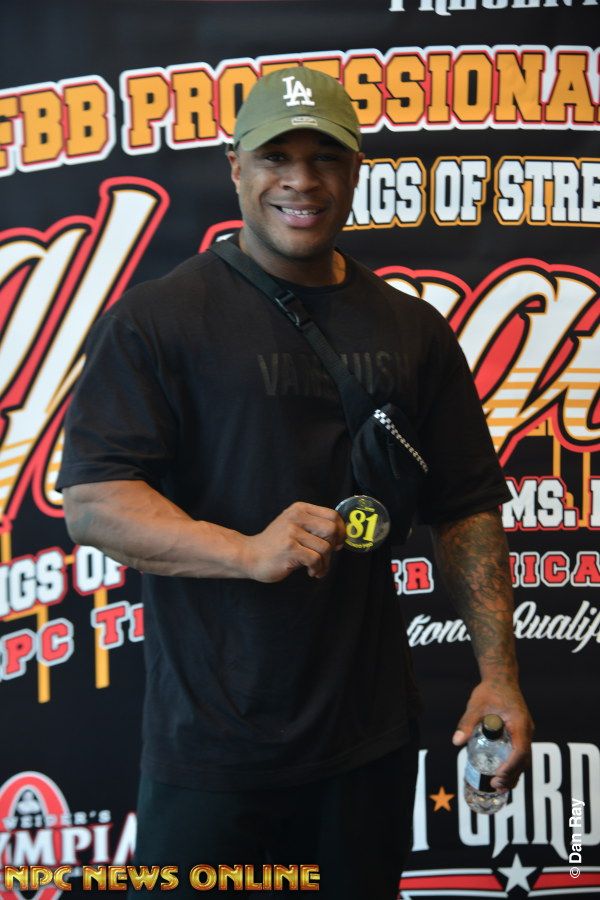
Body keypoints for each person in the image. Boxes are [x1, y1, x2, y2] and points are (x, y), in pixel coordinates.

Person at [58, 66, 533, 899]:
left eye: (325, 158)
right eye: (276, 156)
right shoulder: (158, 321)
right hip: (212, 751)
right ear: (235, 166)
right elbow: (95, 504)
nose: (301, 181)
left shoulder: (411, 327)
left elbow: (465, 508)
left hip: (368, 742)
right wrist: (245, 552)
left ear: (355, 170)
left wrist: (500, 677)